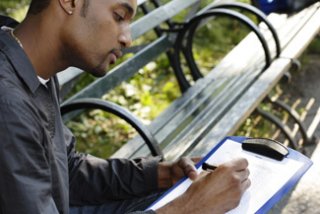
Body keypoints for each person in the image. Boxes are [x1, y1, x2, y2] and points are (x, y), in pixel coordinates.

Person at [0, 0, 251, 213]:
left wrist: (162, 174)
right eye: (119, 16)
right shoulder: (8, 103)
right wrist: (191, 207)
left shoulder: (29, 62)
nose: (127, 39)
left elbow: (69, 171)